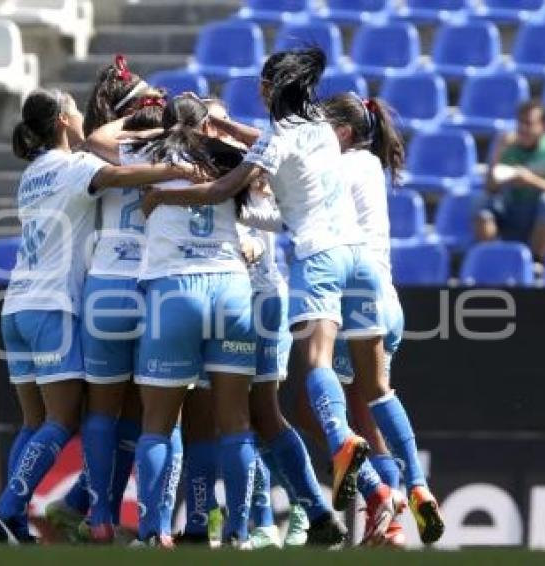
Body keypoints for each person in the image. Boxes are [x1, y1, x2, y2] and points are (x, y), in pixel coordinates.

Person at [141, 48, 376, 543]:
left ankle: (282, 516)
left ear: (271, 90)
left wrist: (164, 193)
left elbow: (233, 182)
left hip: (262, 286)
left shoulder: (256, 153)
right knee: (247, 416)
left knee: (258, 412)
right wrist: (228, 135)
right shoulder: (311, 132)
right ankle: (291, 517)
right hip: (298, 273)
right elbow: (262, 156)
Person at [0, 88, 195, 544]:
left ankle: (14, 516)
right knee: (61, 420)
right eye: (74, 108)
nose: (80, 115)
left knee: (35, 424)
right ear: (61, 119)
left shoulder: (31, 173)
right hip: (52, 305)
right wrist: (178, 166)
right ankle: (7, 508)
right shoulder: (76, 167)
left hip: (15, 304)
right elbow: (122, 174)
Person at [200, 98, 343, 549]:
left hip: (260, 299)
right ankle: (267, 520)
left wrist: (252, 243)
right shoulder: (197, 172)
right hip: (222, 303)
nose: (213, 134)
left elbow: (273, 224)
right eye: (207, 125)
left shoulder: (253, 171)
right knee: (241, 420)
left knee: (261, 414)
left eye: (219, 125)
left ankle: (301, 508)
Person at [132, 95, 258, 548]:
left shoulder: (146, 154)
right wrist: (225, 123)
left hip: (174, 290)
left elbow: (97, 140)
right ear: (208, 125)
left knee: (158, 424)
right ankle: (241, 534)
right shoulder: (234, 157)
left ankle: (152, 532)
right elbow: (274, 152)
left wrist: (149, 125)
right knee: (236, 421)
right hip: (231, 286)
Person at [45, 55, 162, 540]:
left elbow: (95, 139)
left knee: (103, 411)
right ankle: (152, 524)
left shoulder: (95, 156)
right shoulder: (171, 144)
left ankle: (98, 516)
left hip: (107, 282)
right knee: (146, 414)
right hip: (155, 286)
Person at [321, 92, 445, 546]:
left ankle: (382, 495)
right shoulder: (369, 165)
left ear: (343, 132)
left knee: (313, 406)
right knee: (371, 405)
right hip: (385, 295)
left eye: (320, 127)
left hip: (354, 292)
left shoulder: (344, 164)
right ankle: (407, 495)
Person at [475, 99, 545, 263]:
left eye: (529, 124)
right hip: (519, 213)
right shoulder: (510, 147)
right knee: (481, 203)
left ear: (544, 127)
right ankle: (493, 259)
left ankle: (536, 263)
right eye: (520, 123)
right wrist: (498, 152)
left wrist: (531, 180)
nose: (522, 129)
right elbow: (490, 188)